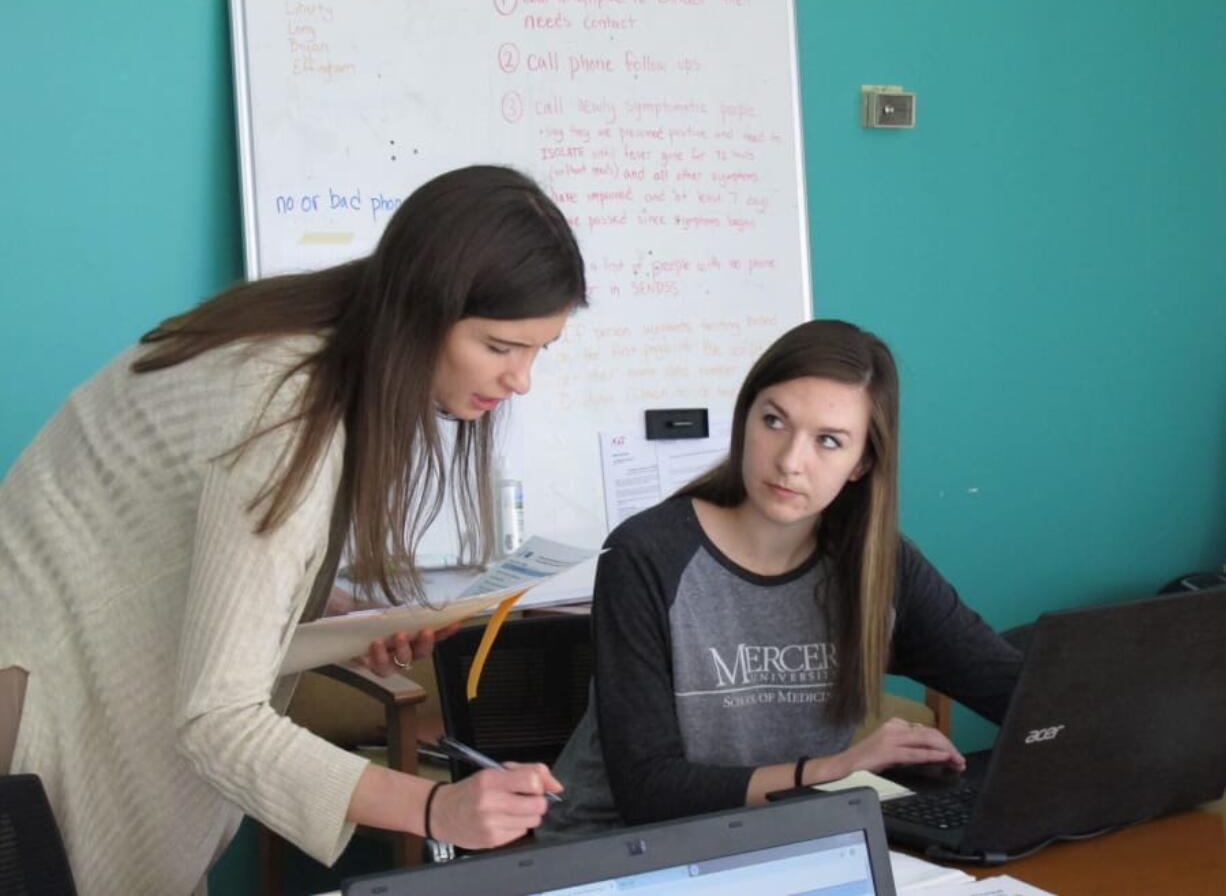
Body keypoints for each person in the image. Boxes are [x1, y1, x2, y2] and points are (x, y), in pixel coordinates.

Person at [0, 165, 579, 893]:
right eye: (500, 347)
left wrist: (338, 614)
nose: (520, 379)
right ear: (421, 311)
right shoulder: (282, 408)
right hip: (38, 695)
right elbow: (220, 718)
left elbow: (210, 555)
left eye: (539, 350)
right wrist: (437, 806)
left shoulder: (316, 338)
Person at [540, 319, 1022, 839]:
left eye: (829, 441)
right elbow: (650, 793)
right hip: (621, 852)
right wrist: (836, 769)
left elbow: (1012, 691)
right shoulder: (646, 555)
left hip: (787, 839)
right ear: (745, 418)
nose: (791, 461)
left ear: (862, 463)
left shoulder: (879, 564)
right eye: (774, 421)